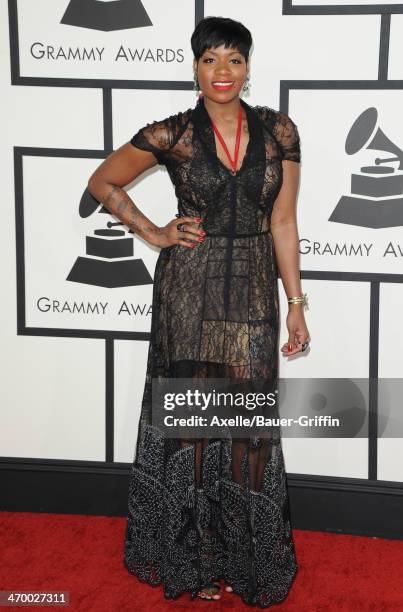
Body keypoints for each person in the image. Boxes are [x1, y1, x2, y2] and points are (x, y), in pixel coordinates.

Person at [88, 15, 310, 607]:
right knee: (189, 429)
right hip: (189, 289)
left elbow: (283, 222)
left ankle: (246, 557)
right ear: (194, 66)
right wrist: (153, 231)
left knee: (246, 429)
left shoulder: (279, 131)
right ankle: (191, 560)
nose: (222, 71)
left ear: (248, 67)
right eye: (210, 58)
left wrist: (295, 303)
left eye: (234, 59)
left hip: (256, 289)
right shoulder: (174, 132)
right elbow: (103, 181)